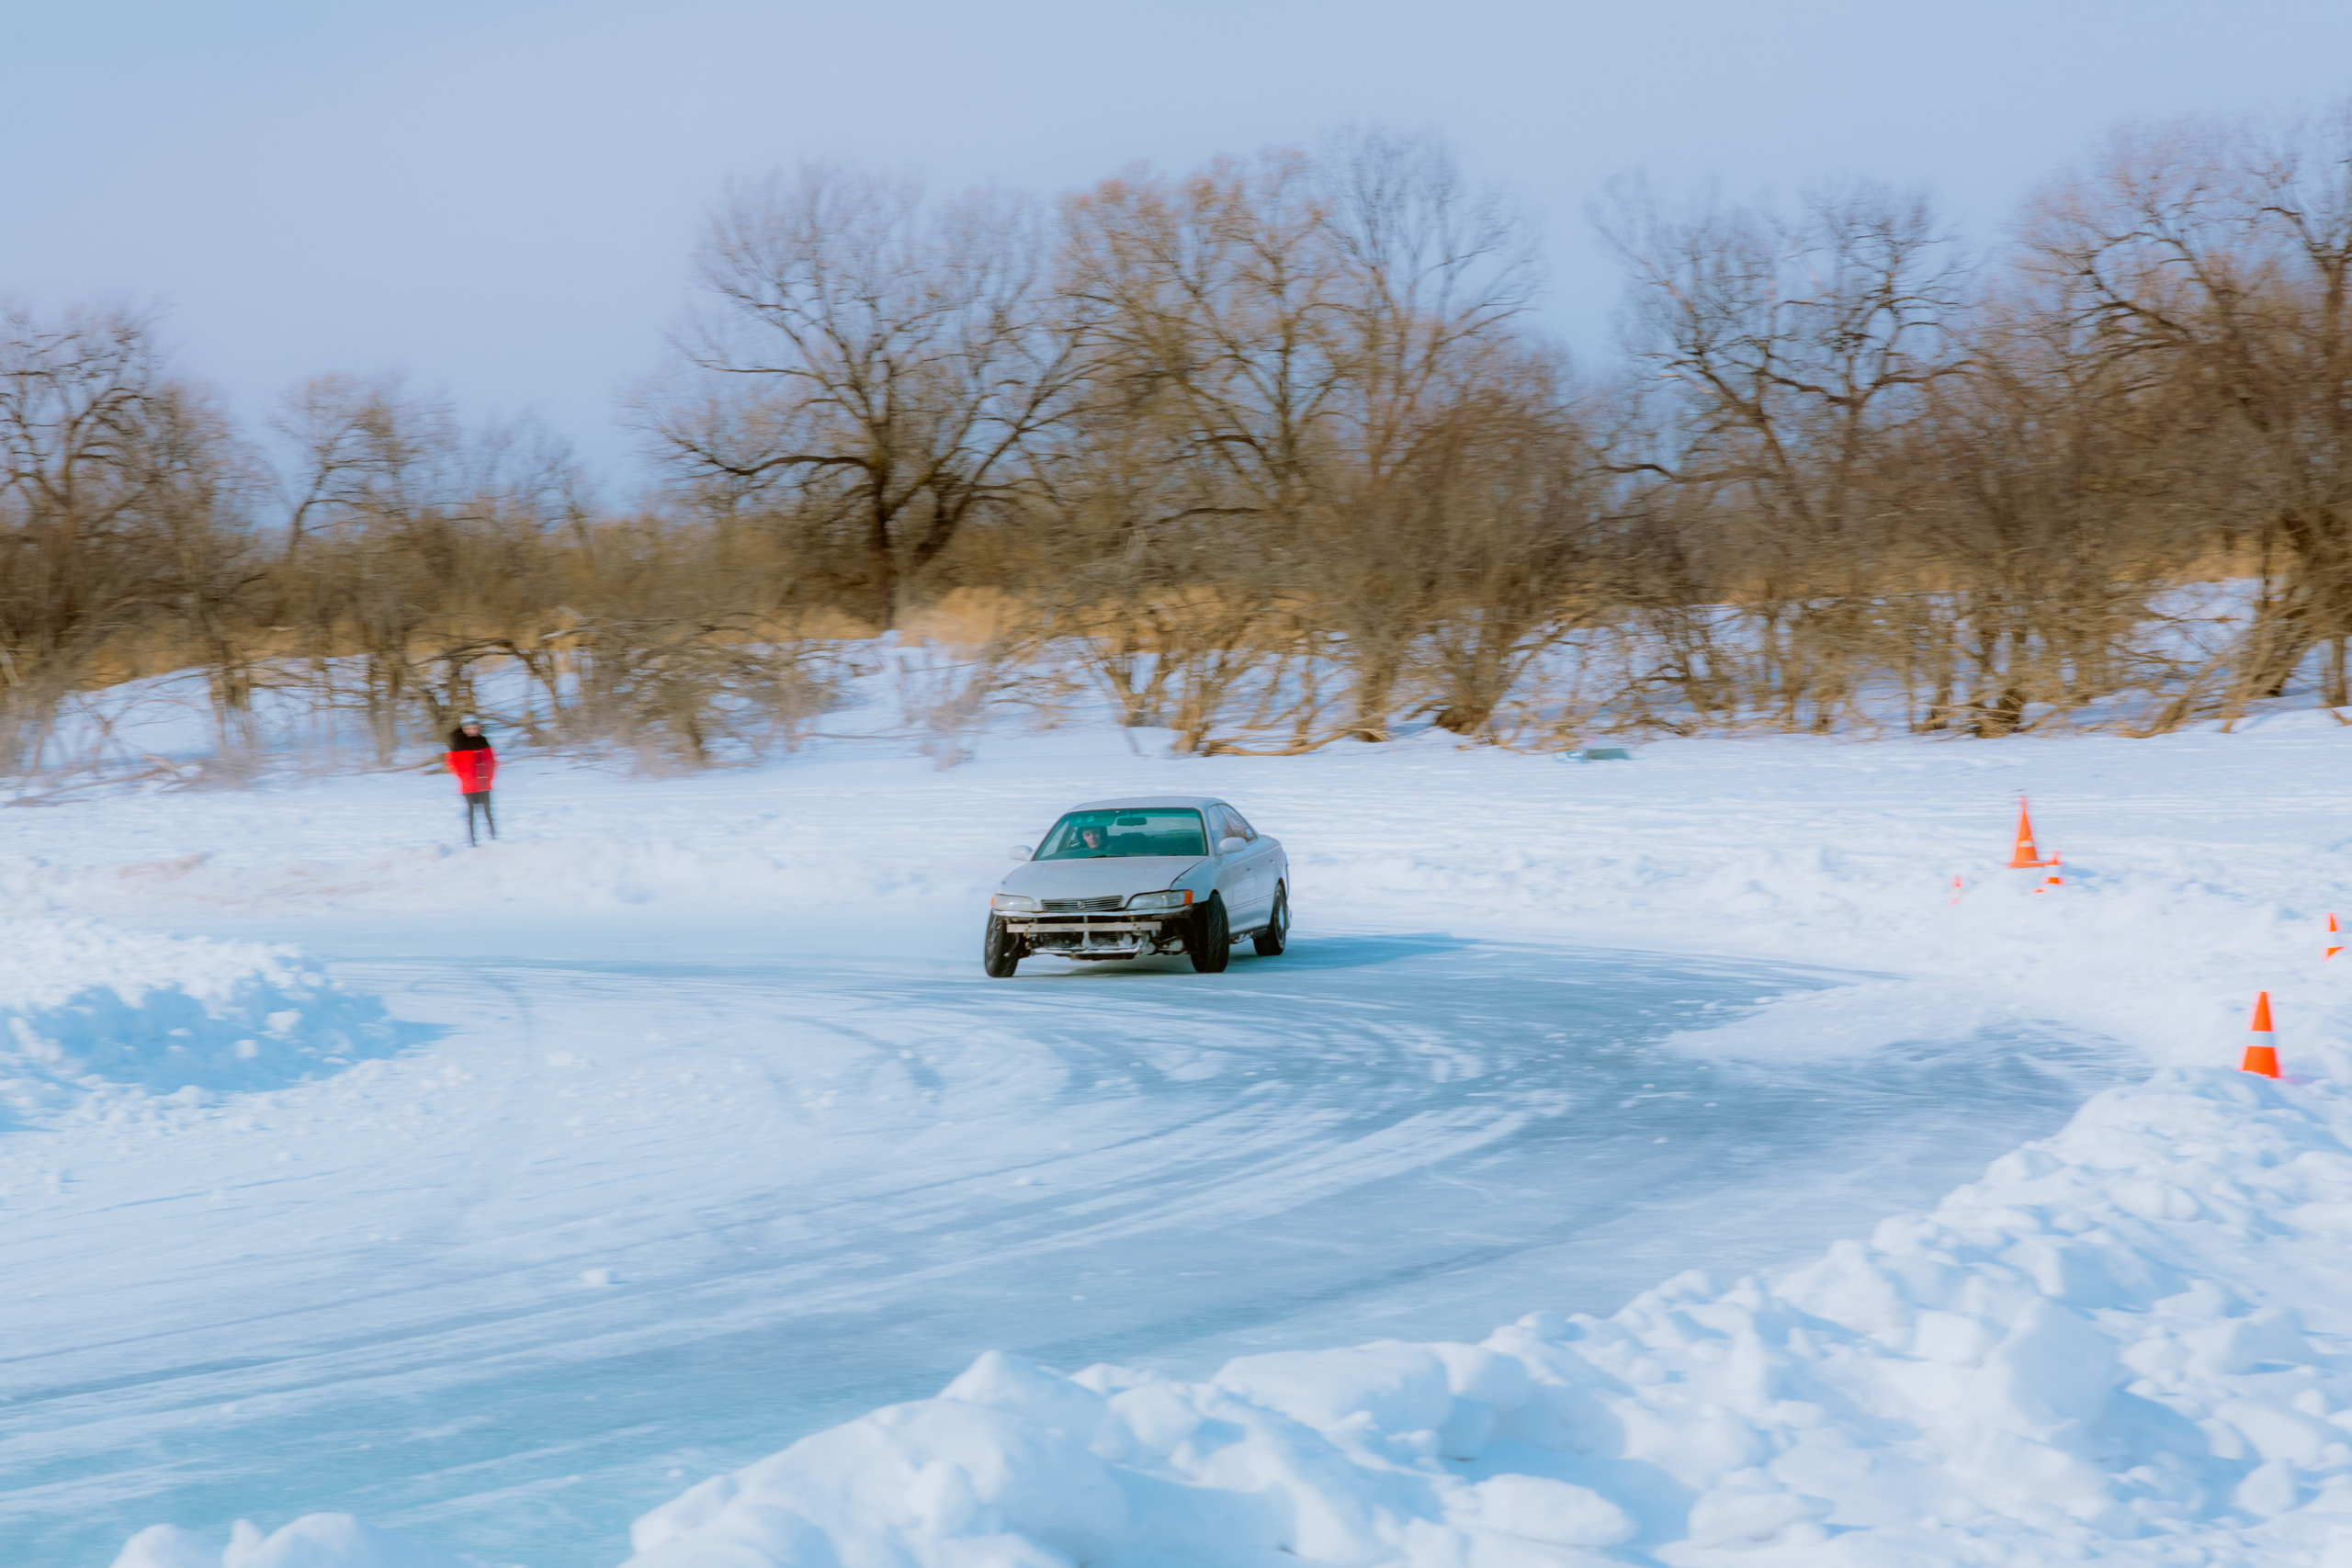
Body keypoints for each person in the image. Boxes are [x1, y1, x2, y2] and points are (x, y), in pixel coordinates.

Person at [446, 716, 497, 845]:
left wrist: (489, 778)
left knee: (488, 814)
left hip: (485, 785)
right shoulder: (458, 742)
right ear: (464, 729)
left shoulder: (483, 740)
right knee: (472, 815)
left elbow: (491, 761)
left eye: (475, 728)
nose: (472, 730)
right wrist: (465, 778)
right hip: (469, 786)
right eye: (469, 728)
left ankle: (494, 839)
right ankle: (473, 842)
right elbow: (452, 764)